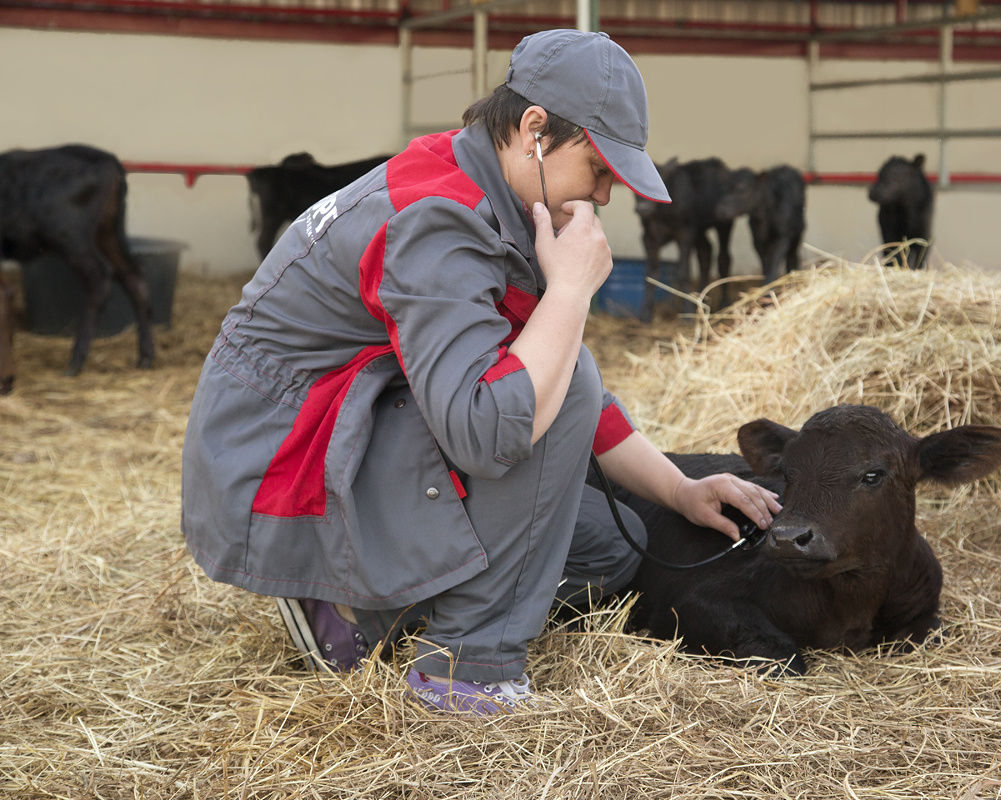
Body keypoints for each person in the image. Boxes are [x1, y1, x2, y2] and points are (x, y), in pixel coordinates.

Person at [180, 29, 781, 715]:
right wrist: (571, 292)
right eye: (601, 168)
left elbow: (554, 382)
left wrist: (679, 491)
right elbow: (487, 429)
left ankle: (363, 614)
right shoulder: (438, 218)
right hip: (281, 462)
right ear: (535, 131)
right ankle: (465, 667)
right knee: (553, 383)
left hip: (341, 428)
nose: (606, 196)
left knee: (608, 548)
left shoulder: (483, 183)